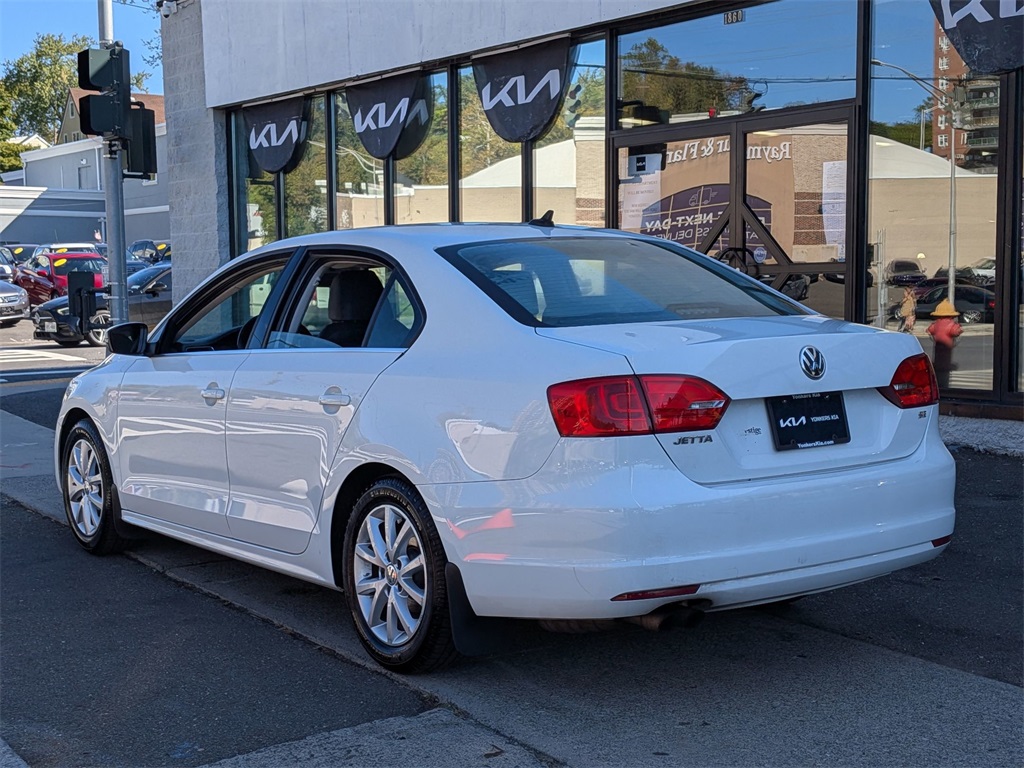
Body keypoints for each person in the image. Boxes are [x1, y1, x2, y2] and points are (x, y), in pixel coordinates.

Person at [926, 298, 962, 389]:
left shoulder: (936, 324)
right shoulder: (951, 324)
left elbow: (930, 329)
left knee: (938, 369)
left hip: (937, 351)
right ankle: (944, 387)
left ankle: (938, 386)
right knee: (944, 374)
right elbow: (955, 331)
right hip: (946, 354)